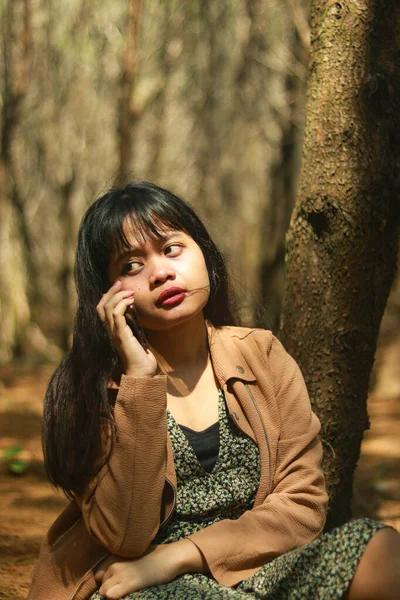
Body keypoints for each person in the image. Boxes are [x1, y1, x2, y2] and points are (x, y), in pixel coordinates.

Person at [29, 181, 400, 600]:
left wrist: (182, 554)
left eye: (171, 249)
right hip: (139, 582)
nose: (161, 272)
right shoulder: (97, 391)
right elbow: (125, 536)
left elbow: (303, 504)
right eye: (131, 265)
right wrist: (140, 380)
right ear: (108, 294)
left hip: (252, 564)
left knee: (380, 550)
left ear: (204, 253)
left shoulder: (262, 354)